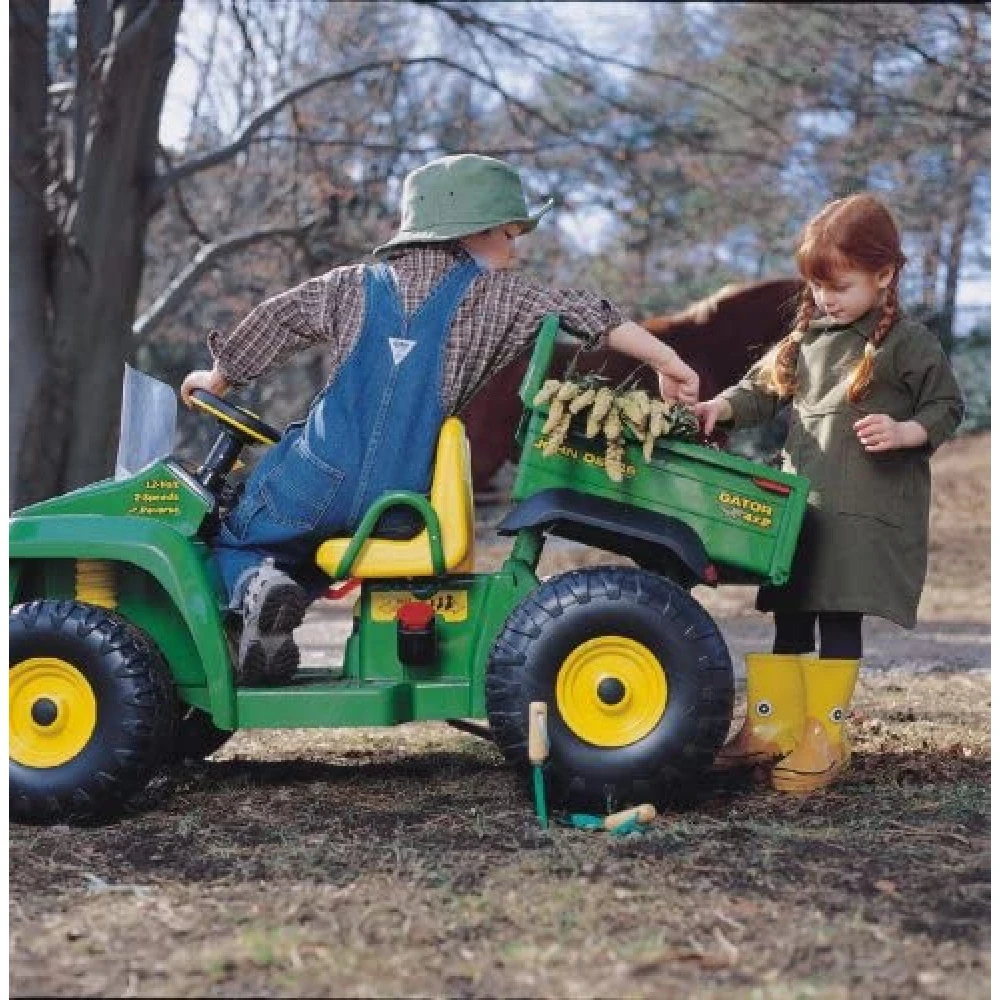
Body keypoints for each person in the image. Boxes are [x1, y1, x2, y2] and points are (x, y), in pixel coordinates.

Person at [181, 153, 700, 687]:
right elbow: (588, 311)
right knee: (311, 561)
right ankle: (265, 611)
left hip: (314, 480)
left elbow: (279, 319)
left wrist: (219, 377)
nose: (515, 247)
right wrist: (668, 362)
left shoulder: (350, 286)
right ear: (473, 232)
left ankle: (254, 587)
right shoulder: (502, 299)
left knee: (234, 540)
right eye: (509, 232)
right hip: (401, 502)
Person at [693, 192, 964, 793]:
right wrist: (719, 406)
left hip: (864, 513)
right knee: (790, 614)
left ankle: (826, 737)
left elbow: (947, 405)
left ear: (884, 274)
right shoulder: (808, 339)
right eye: (817, 286)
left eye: (839, 285)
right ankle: (774, 728)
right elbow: (758, 390)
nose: (825, 298)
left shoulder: (907, 343)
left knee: (839, 614)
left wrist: (905, 430)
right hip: (802, 511)